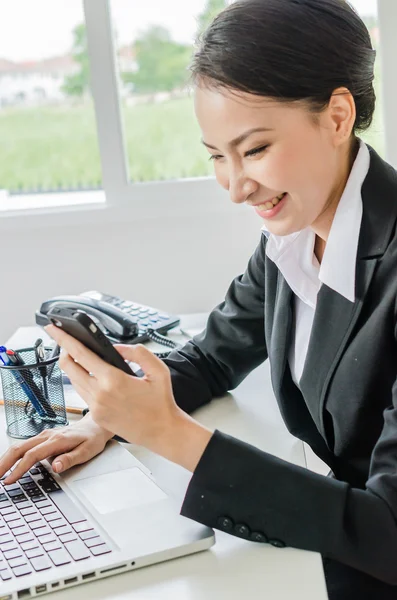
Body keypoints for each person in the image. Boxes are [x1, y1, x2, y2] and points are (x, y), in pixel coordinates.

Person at [1, 0, 396, 597]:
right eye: (217, 156)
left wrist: (170, 434)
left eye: (256, 150)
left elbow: (388, 531)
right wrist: (112, 421)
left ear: (338, 116)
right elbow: (213, 356)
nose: (236, 188)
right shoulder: (295, 237)